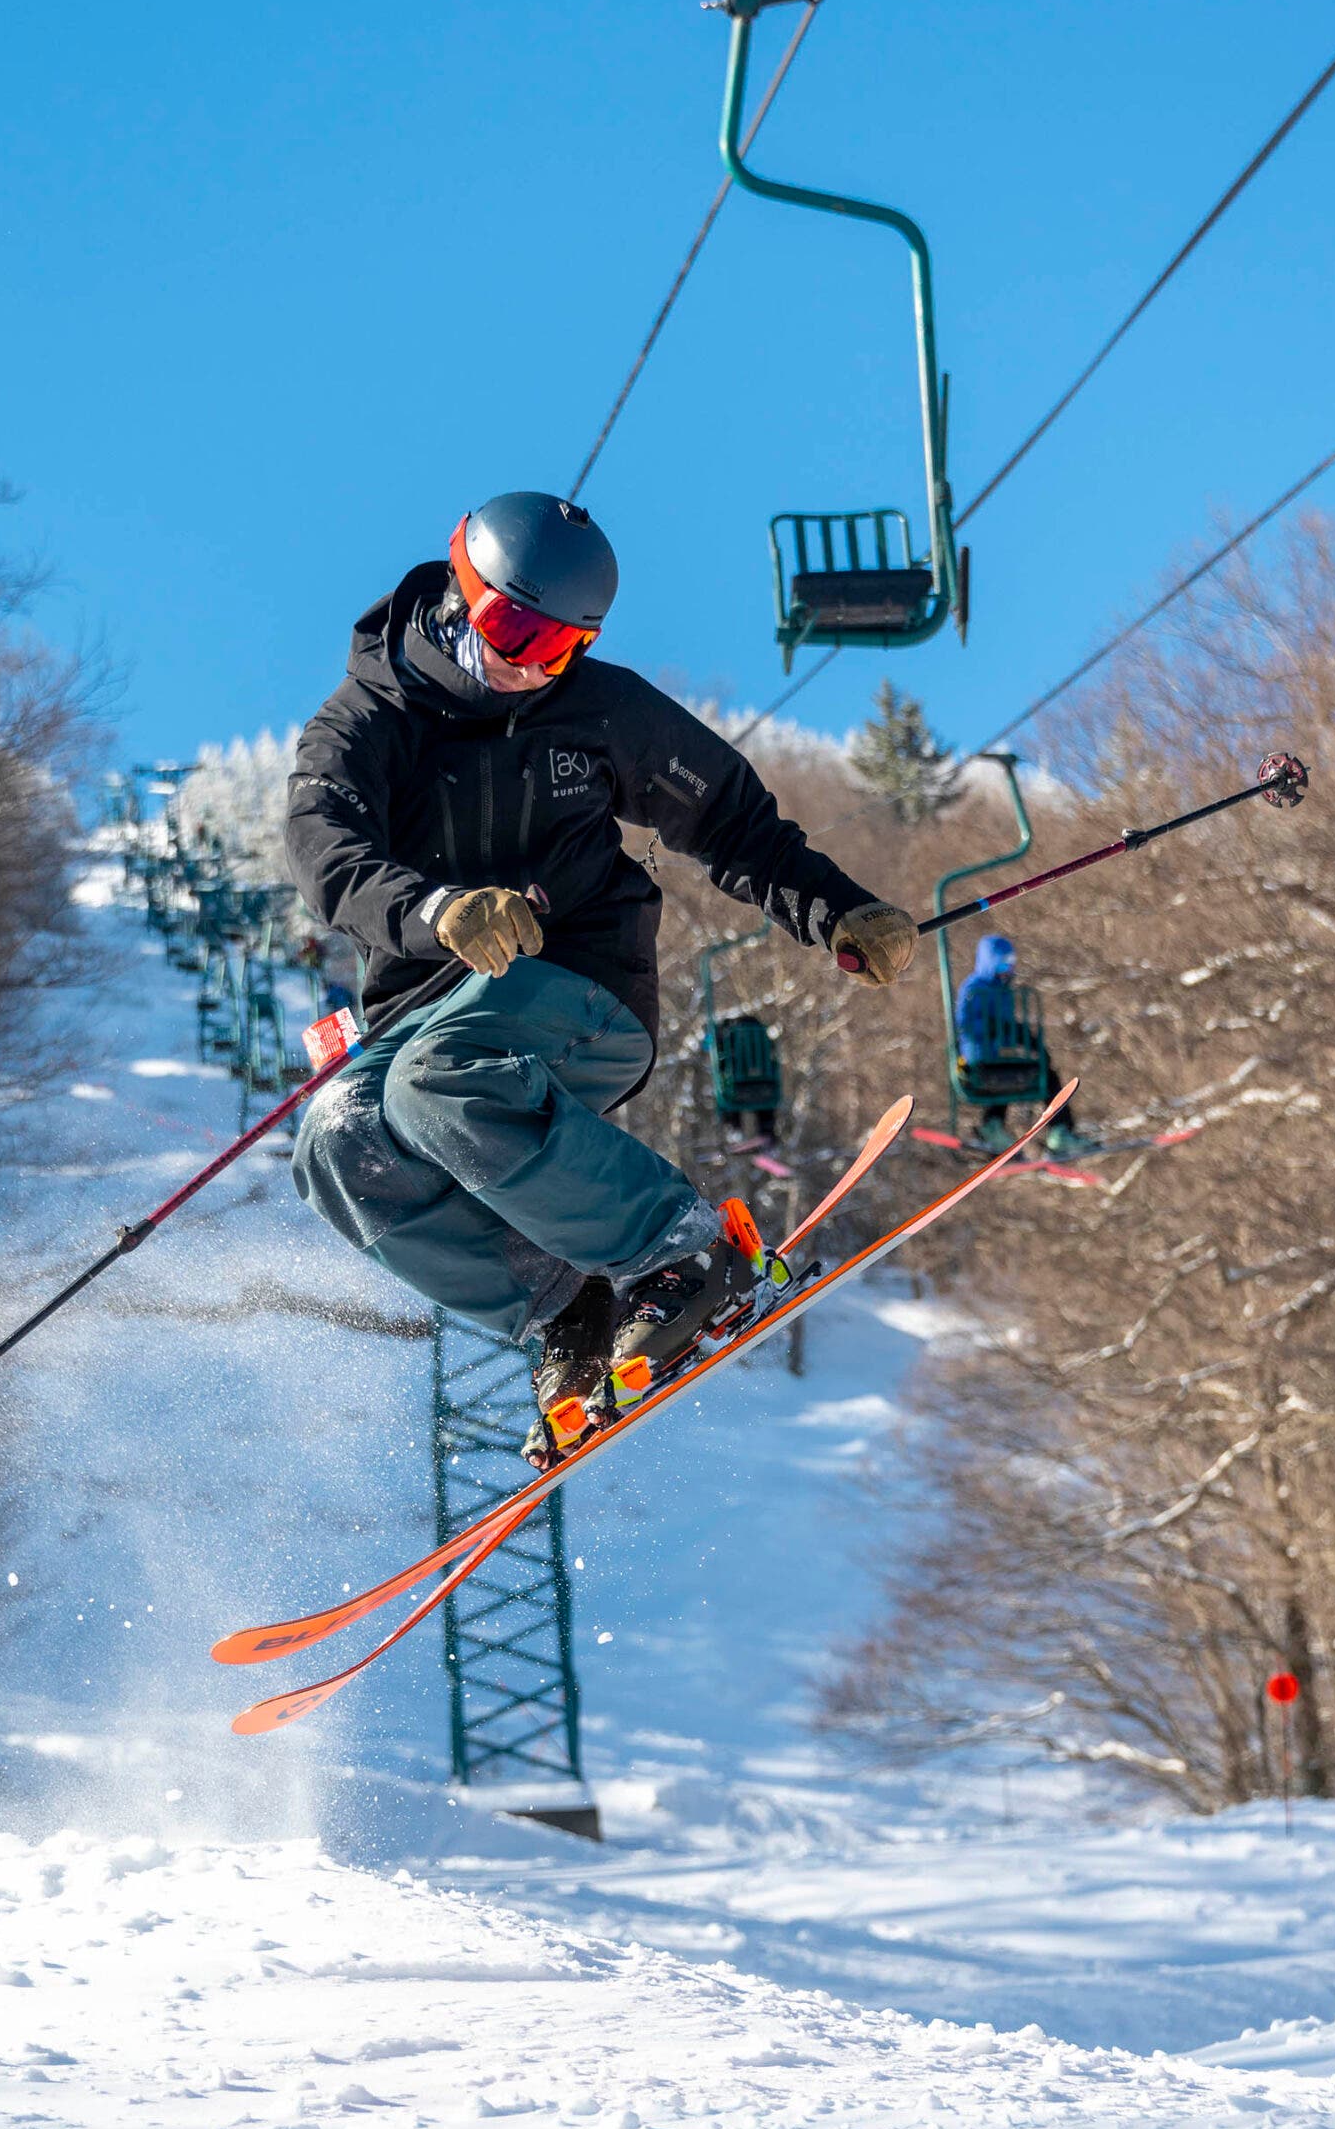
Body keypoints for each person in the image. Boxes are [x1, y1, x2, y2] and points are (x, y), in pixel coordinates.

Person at [286, 491, 916, 1466]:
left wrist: (832, 908)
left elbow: (732, 821)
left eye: (555, 646)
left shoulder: (597, 711)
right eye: (510, 628)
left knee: (437, 1080)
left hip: (580, 981)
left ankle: (682, 1246)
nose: (524, 662)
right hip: (427, 1006)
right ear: (460, 592)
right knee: (339, 1142)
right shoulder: (366, 722)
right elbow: (322, 847)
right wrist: (434, 911)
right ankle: (564, 1306)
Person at [953, 933, 1097, 1158]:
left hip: (997, 1057)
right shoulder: (975, 989)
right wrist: (992, 1029)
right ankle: (1054, 1131)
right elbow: (967, 1024)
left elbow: (1009, 1025)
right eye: (1002, 964)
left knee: (1037, 1074)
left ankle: (998, 1126)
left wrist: (1030, 1042)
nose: (1007, 970)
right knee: (1022, 1077)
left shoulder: (1003, 991)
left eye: (1010, 965)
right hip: (979, 1061)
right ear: (989, 963)